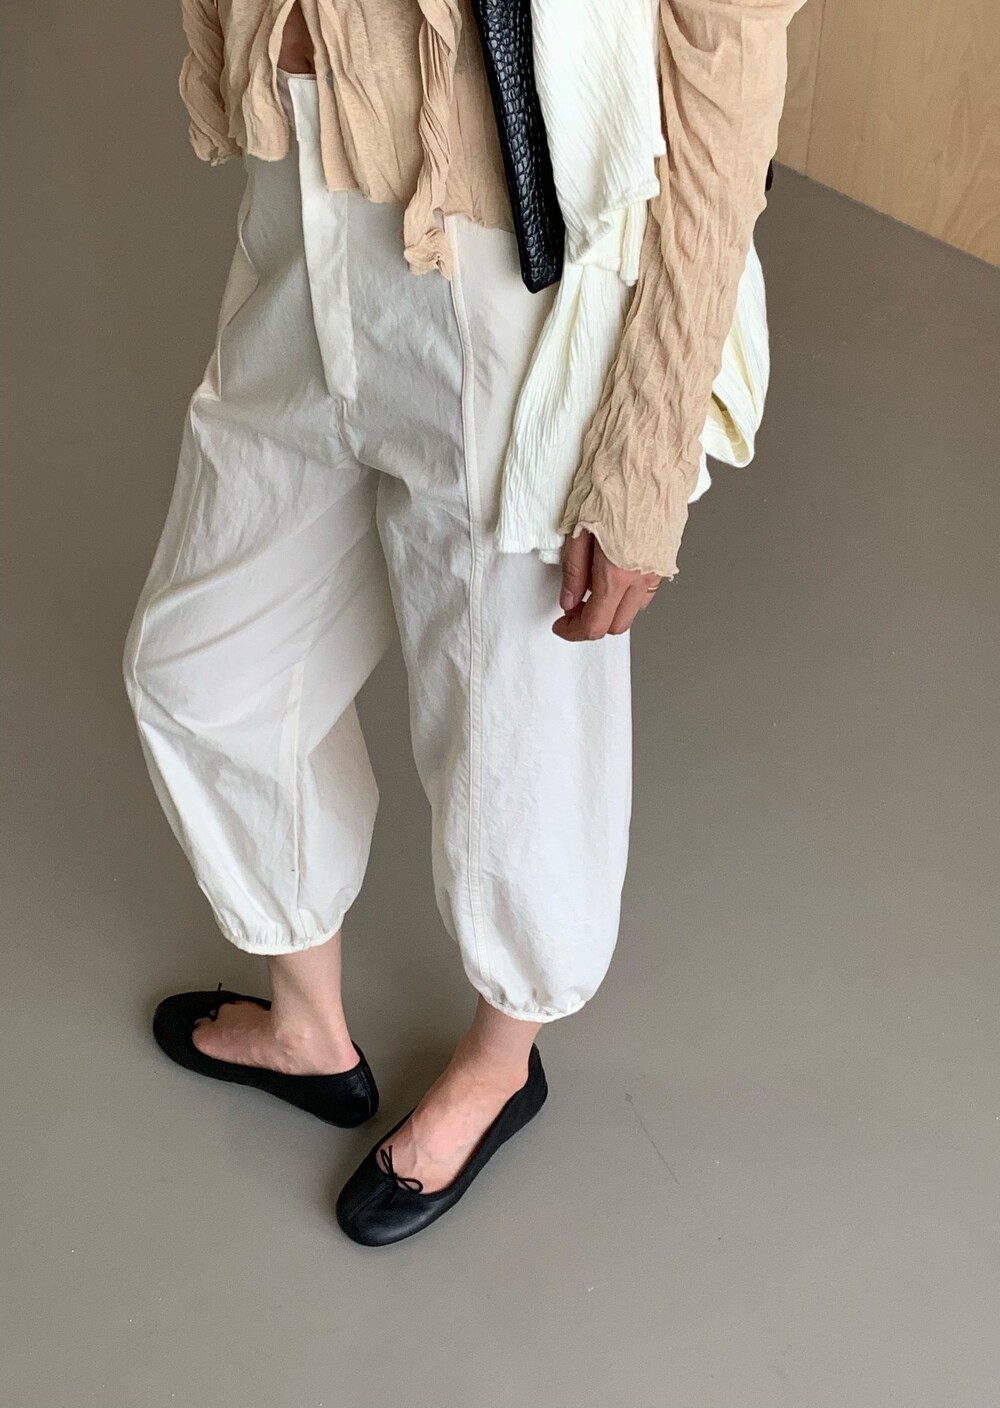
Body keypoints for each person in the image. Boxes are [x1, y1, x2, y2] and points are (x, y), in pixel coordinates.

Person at [124, 0, 804, 1245]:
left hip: (502, 273)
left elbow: (727, 63)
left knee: (512, 740)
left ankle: (499, 1064)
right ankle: (306, 1025)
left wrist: (645, 449)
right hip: (307, 196)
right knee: (200, 668)